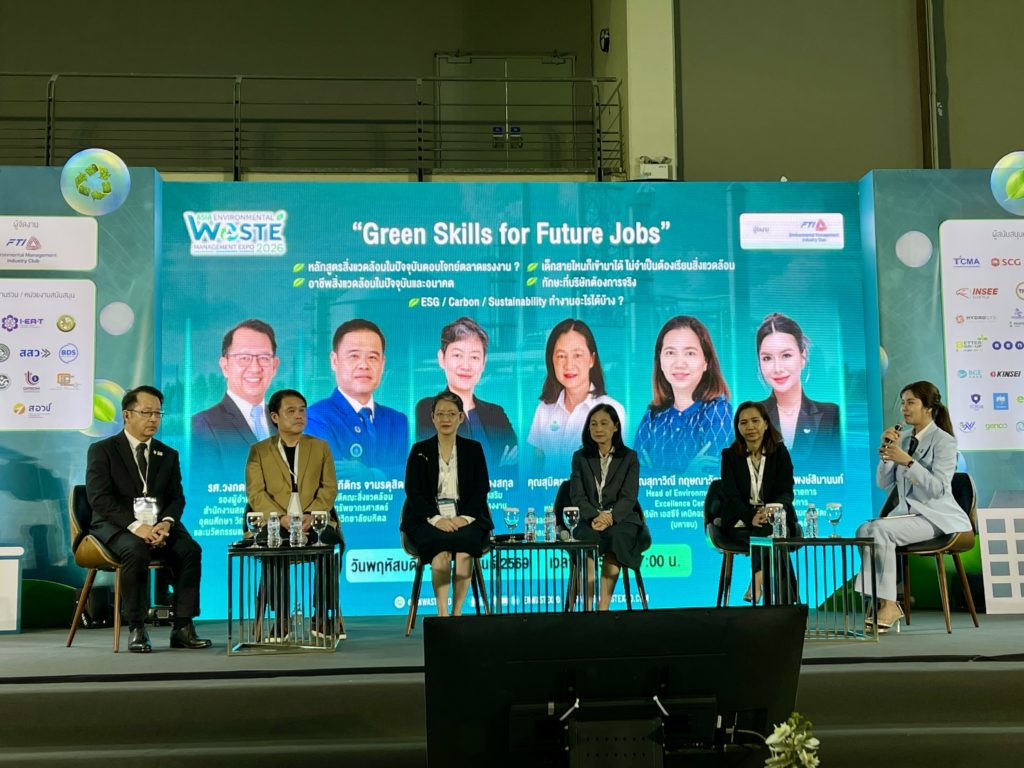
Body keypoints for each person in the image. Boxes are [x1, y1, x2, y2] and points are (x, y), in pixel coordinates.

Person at [85, 385, 211, 653]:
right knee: (135, 550)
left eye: (158, 413)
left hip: (158, 524)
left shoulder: (167, 454)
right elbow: (100, 499)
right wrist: (137, 527)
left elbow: (176, 498)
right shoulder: (102, 450)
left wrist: (166, 523)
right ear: (127, 415)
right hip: (116, 524)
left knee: (190, 550)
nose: (154, 419)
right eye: (147, 412)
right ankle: (137, 627)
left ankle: (183, 626)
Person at [854, 381, 970, 633]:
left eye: (911, 402)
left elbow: (938, 489)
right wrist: (887, 453)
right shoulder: (903, 439)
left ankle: (889, 604)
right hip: (906, 517)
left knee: (878, 531)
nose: (904, 408)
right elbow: (883, 483)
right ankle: (882, 601)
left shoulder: (944, 441)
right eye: (903, 403)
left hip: (935, 518)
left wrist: (908, 462)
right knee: (863, 530)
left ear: (928, 407)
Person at [245, 389, 343, 638]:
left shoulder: (320, 447)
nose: (299, 415)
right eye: (291, 411)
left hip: (314, 521)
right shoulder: (259, 451)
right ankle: (281, 617)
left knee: (331, 543)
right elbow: (256, 493)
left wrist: (312, 514)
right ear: (275, 417)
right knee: (273, 546)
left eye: (302, 410)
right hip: (276, 523)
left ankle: (321, 615)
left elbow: (329, 488)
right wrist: (280, 518)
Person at [401, 391, 493, 617]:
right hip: (427, 519)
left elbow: (481, 489)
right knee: (440, 552)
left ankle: (456, 614)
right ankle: (442, 614)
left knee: (464, 552)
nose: (445, 419)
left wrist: (464, 518)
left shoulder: (474, 449)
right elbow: (413, 493)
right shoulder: (419, 450)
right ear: (432, 417)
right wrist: (436, 519)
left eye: (451, 414)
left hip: (467, 518)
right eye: (440, 414)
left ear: (461, 417)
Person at [306, 319, 409, 480]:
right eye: (354, 356)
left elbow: (413, 475)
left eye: (372, 357)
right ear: (334, 361)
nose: (364, 365)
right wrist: (389, 474)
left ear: (382, 364)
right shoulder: (315, 418)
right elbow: (333, 478)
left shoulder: (398, 421)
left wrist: (372, 475)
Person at [717, 401, 798, 604]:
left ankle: (756, 580)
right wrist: (750, 516)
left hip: (774, 515)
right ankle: (788, 603)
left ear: (766, 424)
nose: (750, 427)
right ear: (737, 427)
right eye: (743, 422)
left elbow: (786, 491)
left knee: (769, 527)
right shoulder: (729, 456)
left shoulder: (780, 453)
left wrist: (771, 510)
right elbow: (731, 495)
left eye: (755, 421)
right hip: (741, 518)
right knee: (772, 535)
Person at [569, 403, 647, 611]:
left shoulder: (629, 457)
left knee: (616, 538)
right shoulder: (580, 457)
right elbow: (577, 495)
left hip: (620, 519)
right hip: (589, 519)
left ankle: (603, 609)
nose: (598, 429)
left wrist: (610, 518)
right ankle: (588, 609)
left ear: (615, 427)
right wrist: (595, 516)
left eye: (604, 423)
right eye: (593, 424)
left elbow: (629, 497)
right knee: (587, 541)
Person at [414, 317, 517, 472]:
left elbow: (515, 465)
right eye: (457, 355)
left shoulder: (497, 413)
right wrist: (497, 469)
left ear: (484, 363)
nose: (466, 366)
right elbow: (438, 465)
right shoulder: (428, 408)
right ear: (442, 358)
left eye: (474, 357)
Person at [635, 315, 732, 476]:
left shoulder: (719, 412)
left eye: (690, 353)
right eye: (670, 352)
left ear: (706, 362)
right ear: (660, 360)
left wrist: (655, 473)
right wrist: (687, 474)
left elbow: (710, 476)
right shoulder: (652, 417)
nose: (679, 363)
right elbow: (635, 477)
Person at [528, 318, 625, 477]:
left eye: (577, 355)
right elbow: (535, 468)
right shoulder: (544, 409)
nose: (569, 365)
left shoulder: (613, 410)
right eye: (561, 356)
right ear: (551, 360)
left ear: (592, 359)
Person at [192, 319, 280, 485]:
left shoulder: (285, 422)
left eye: (263, 358)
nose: (255, 368)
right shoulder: (203, 425)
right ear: (225, 366)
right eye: (244, 358)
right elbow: (202, 491)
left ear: (274, 366)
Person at [754, 312, 840, 470]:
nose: (777, 368)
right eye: (767, 358)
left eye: (786, 355)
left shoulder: (831, 415)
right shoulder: (749, 415)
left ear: (803, 356)